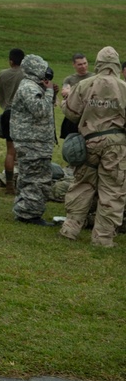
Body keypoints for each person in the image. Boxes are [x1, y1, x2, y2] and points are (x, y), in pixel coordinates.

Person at [60, 47, 126, 247]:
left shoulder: (85, 84)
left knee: (82, 185)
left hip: (89, 142)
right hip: (116, 145)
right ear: (116, 65)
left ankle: (70, 229)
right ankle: (103, 238)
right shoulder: (124, 87)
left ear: (97, 64)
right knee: (112, 190)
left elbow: (71, 112)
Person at [10, 54, 57, 226]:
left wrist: (49, 91)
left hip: (32, 141)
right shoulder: (29, 87)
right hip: (33, 142)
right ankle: (29, 214)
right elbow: (40, 110)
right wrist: (50, 90)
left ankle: (23, 209)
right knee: (37, 178)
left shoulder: (32, 86)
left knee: (28, 176)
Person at [0, 48, 25, 195]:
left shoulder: (3, 74)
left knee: (10, 151)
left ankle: (9, 186)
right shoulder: (26, 75)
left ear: (11, 61)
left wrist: (5, 103)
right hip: (23, 114)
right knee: (24, 150)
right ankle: (24, 182)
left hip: (8, 113)